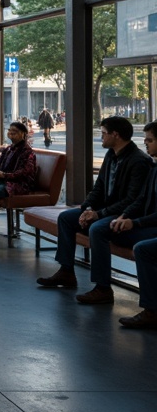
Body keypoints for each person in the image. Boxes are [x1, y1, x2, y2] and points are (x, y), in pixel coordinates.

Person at [36, 116, 151, 291]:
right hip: (104, 210)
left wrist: (99, 214)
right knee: (66, 218)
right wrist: (86, 208)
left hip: (123, 213)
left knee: (97, 229)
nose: (101, 137)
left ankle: (102, 288)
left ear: (116, 135)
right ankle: (66, 271)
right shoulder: (111, 155)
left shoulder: (138, 161)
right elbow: (99, 187)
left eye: (104, 134)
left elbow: (132, 200)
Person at [118, 125, 157, 328]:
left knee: (143, 249)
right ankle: (101, 286)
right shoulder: (154, 167)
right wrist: (124, 216)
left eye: (150, 140)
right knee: (107, 230)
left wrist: (135, 222)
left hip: (151, 226)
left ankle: (152, 310)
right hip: (148, 224)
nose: (145, 143)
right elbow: (141, 199)